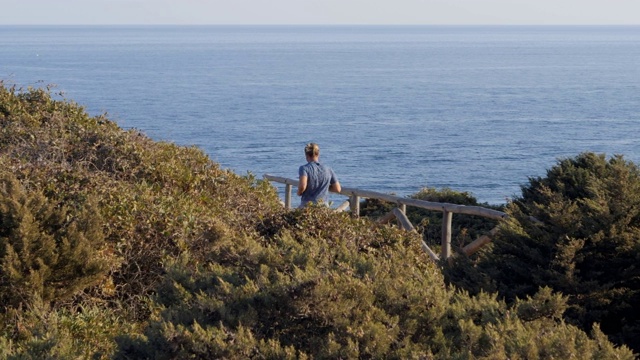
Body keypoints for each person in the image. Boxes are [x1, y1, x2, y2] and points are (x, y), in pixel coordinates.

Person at [297, 142, 341, 207]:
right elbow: (337, 189)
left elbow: (302, 186)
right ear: (318, 154)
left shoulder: (304, 168)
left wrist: (299, 193)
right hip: (323, 206)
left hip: (308, 206)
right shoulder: (328, 169)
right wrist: (324, 187)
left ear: (306, 155)